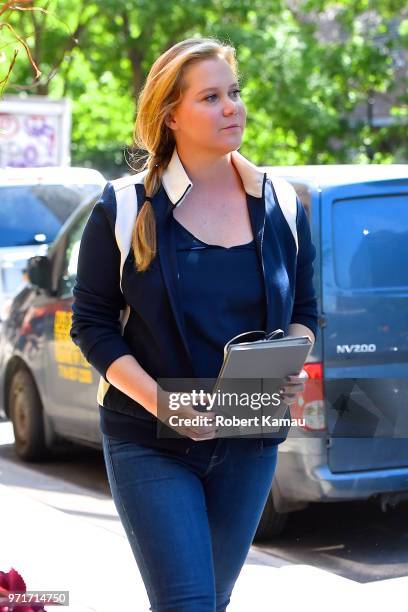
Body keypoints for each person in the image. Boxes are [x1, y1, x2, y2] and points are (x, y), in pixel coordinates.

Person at [70, 36, 318, 612]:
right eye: (210, 97)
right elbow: (92, 325)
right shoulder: (123, 206)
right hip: (149, 440)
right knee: (186, 604)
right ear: (171, 116)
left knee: (213, 600)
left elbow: (304, 314)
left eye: (233, 93)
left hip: (250, 436)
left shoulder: (281, 203)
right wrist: (165, 404)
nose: (231, 106)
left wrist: (289, 361)